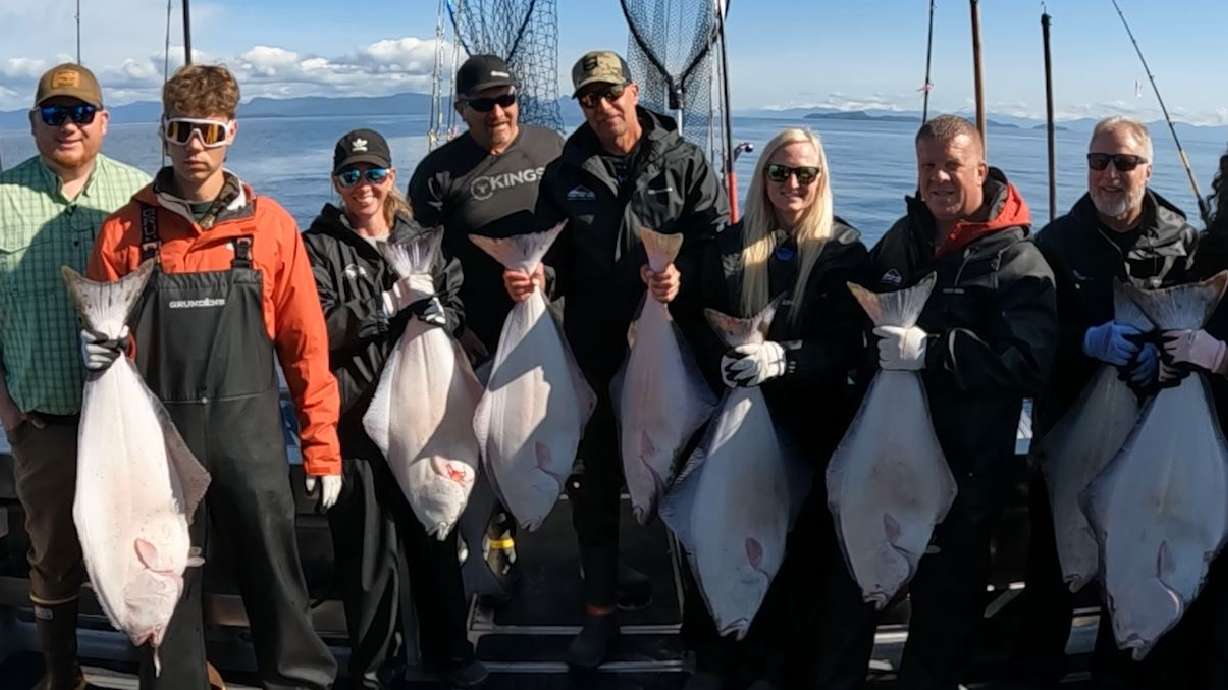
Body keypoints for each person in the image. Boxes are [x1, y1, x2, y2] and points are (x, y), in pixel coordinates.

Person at [83, 64, 338, 690]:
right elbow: (109, 350)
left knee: (276, 578)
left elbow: (306, 347)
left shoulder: (270, 226)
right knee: (160, 584)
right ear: (163, 133)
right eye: (181, 130)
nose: (195, 146)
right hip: (156, 450)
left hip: (250, 442)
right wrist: (96, 352)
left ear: (231, 133)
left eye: (210, 131)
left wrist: (321, 446)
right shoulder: (123, 231)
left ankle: (299, 680)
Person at [503, 50, 728, 670]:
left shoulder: (685, 161)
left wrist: (683, 276)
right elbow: (554, 256)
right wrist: (536, 277)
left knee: (686, 476)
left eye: (609, 93)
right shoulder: (564, 172)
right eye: (588, 98)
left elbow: (718, 244)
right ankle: (600, 612)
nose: (601, 106)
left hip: (674, 346)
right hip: (596, 352)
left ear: (633, 92)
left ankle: (704, 618)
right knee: (596, 483)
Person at [821, 114, 1057, 690]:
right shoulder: (901, 237)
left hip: (963, 476)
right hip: (880, 460)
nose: (939, 178)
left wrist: (934, 350)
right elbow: (856, 313)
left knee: (943, 621)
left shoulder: (1018, 261)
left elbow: (1029, 363)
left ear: (980, 169)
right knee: (847, 605)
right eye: (928, 166)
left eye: (953, 165)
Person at [682, 128, 869, 690]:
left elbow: (846, 343)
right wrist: (723, 359)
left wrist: (783, 359)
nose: (793, 183)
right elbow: (695, 319)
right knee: (720, 540)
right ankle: (715, 657)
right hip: (732, 424)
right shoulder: (727, 247)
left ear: (821, 180)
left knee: (797, 558)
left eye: (806, 174)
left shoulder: (843, 251)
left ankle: (780, 666)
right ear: (762, 177)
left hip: (811, 427)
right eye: (780, 171)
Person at [1015, 116, 1198, 689]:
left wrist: (1164, 359)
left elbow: (1198, 332)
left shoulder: (1183, 242)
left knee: (1132, 570)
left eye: (1123, 163)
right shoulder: (1053, 243)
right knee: (1053, 575)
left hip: (1149, 443)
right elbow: (1032, 340)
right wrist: (1085, 342)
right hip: (1068, 434)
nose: (1109, 175)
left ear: (1149, 169)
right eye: (1098, 162)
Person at [303, 128, 487, 689]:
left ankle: (451, 654)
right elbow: (317, 330)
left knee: (436, 537)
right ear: (336, 183)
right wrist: (384, 305)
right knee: (367, 560)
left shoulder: (422, 240)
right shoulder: (318, 247)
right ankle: (377, 669)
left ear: (391, 177)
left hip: (424, 420)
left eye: (374, 173)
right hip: (355, 426)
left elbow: (457, 302)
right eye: (351, 175)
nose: (364, 185)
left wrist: (441, 316)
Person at [0, 62, 148, 690]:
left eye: (82, 113)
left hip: (130, 426)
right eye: (55, 114)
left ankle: (169, 666)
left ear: (103, 122)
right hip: (44, 423)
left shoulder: (140, 195)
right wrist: (9, 413)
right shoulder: (0, 198)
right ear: (33, 123)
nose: (70, 125)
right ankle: (63, 675)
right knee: (53, 553)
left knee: (142, 547)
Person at [407, 54, 563, 605]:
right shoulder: (438, 172)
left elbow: (582, 230)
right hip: (478, 335)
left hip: (550, 330)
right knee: (483, 446)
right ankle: (490, 551)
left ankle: (566, 555)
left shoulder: (551, 148)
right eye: (482, 104)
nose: (497, 112)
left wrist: (548, 276)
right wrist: (454, 327)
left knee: (555, 440)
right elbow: (424, 259)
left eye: (506, 100)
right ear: (461, 108)